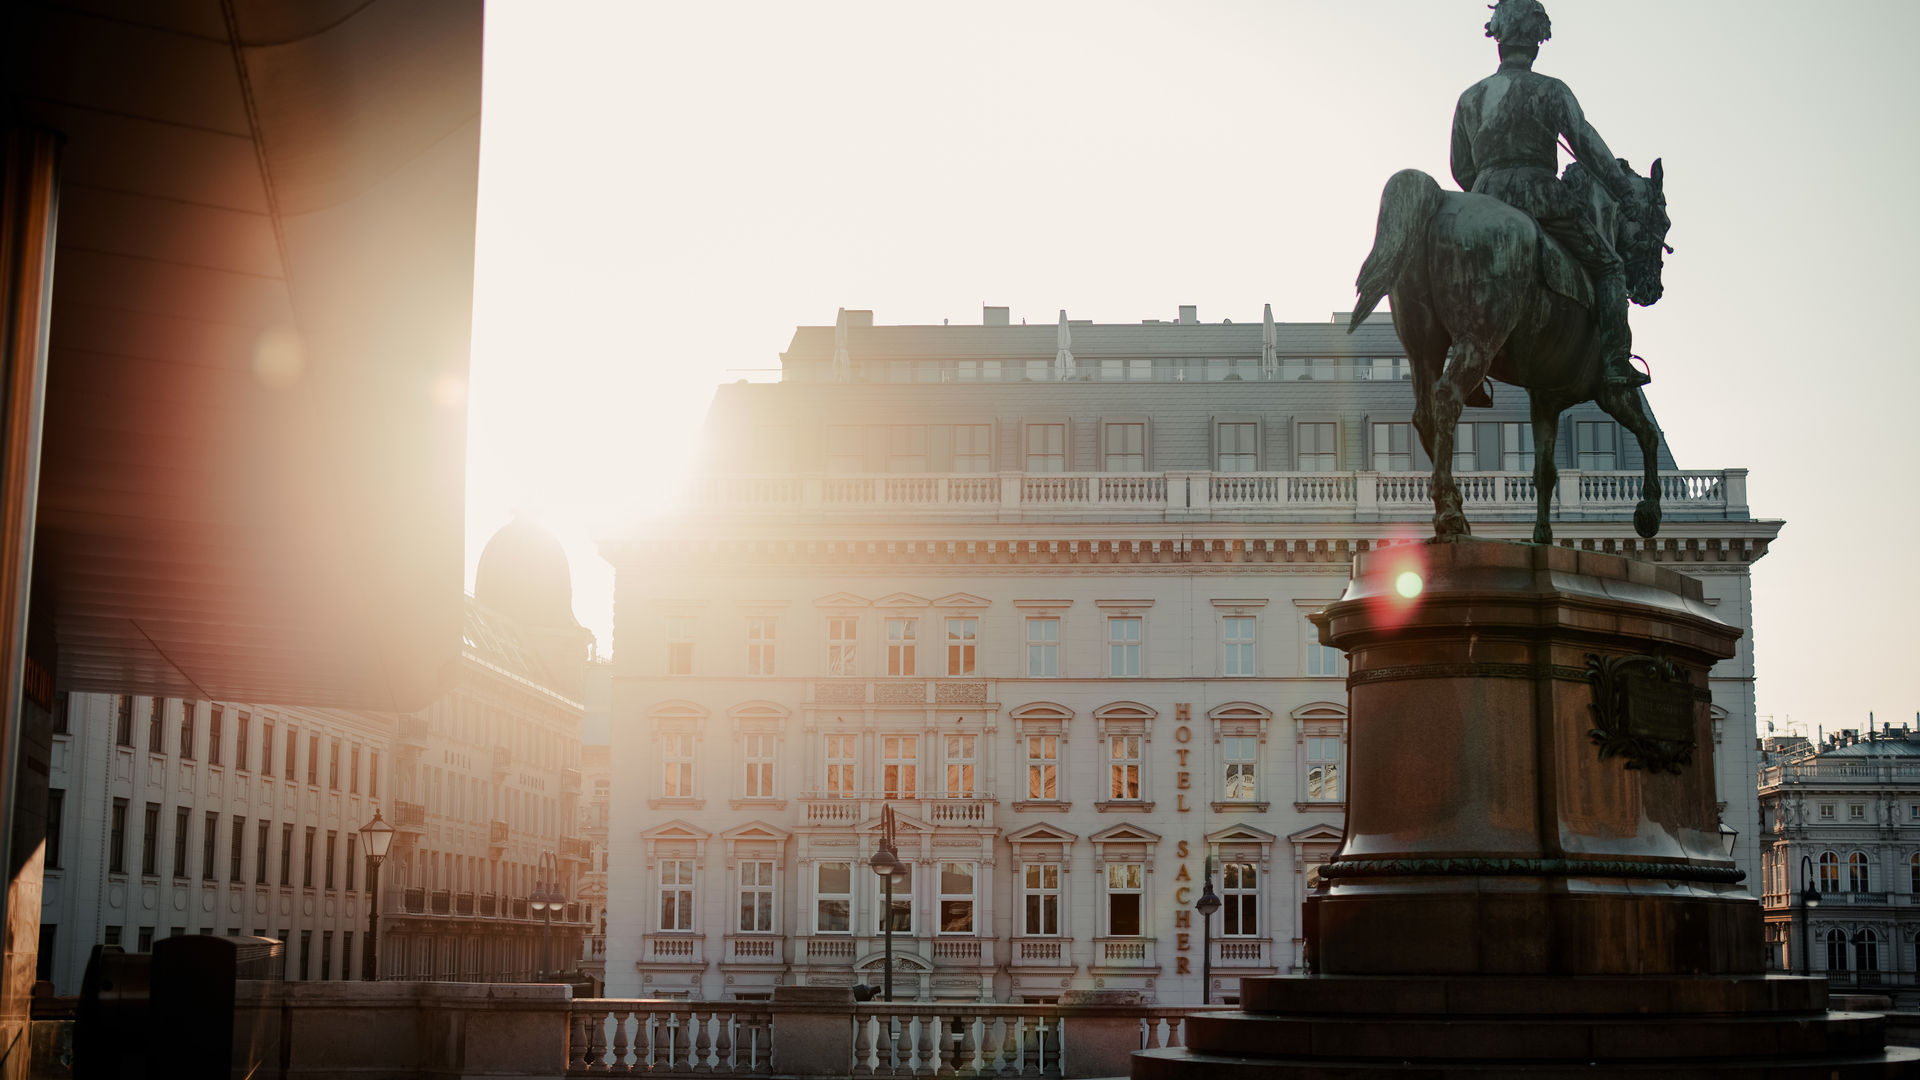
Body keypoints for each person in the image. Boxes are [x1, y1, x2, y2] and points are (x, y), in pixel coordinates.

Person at [1450, 0, 1650, 388]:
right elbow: (1587, 145)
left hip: (1483, 199)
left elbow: (1460, 167)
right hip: (1541, 197)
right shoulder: (1551, 90)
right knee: (1610, 268)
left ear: (1499, 38)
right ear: (1537, 41)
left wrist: (1487, 196)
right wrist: (1624, 192)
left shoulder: (1470, 98)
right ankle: (1614, 361)